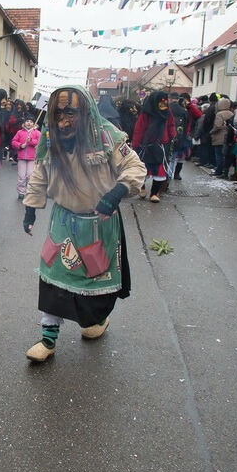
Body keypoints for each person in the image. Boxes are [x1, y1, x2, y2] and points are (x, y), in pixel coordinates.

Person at [21, 86, 146, 362]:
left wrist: (116, 193)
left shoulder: (108, 135)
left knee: (94, 289)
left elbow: (135, 168)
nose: (63, 121)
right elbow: (40, 173)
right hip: (63, 223)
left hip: (99, 225)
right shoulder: (51, 136)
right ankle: (48, 340)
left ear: (86, 111)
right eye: (58, 112)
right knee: (52, 281)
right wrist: (30, 208)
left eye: (70, 112)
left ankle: (96, 322)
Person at [132, 91, 176, 203]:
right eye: (162, 100)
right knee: (143, 169)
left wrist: (172, 136)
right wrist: (136, 144)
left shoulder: (167, 112)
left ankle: (154, 193)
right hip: (146, 145)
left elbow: (171, 125)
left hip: (161, 145)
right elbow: (139, 129)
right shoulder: (146, 113)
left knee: (159, 170)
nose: (164, 103)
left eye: (165, 100)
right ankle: (141, 188)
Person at [11, 117, 41, 200]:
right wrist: (21, 145)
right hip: (21, 157)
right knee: (21, 176)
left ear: (34, 124)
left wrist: (31, 141)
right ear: (24, 123)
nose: (29, 123)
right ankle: (21, 192)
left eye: (31, 122)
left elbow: (39, 142)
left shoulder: (37, 133)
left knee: (30, 176)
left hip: (32, 158)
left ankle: (29, 192)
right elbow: (13, 141)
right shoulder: (20, 132)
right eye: (27, 121)